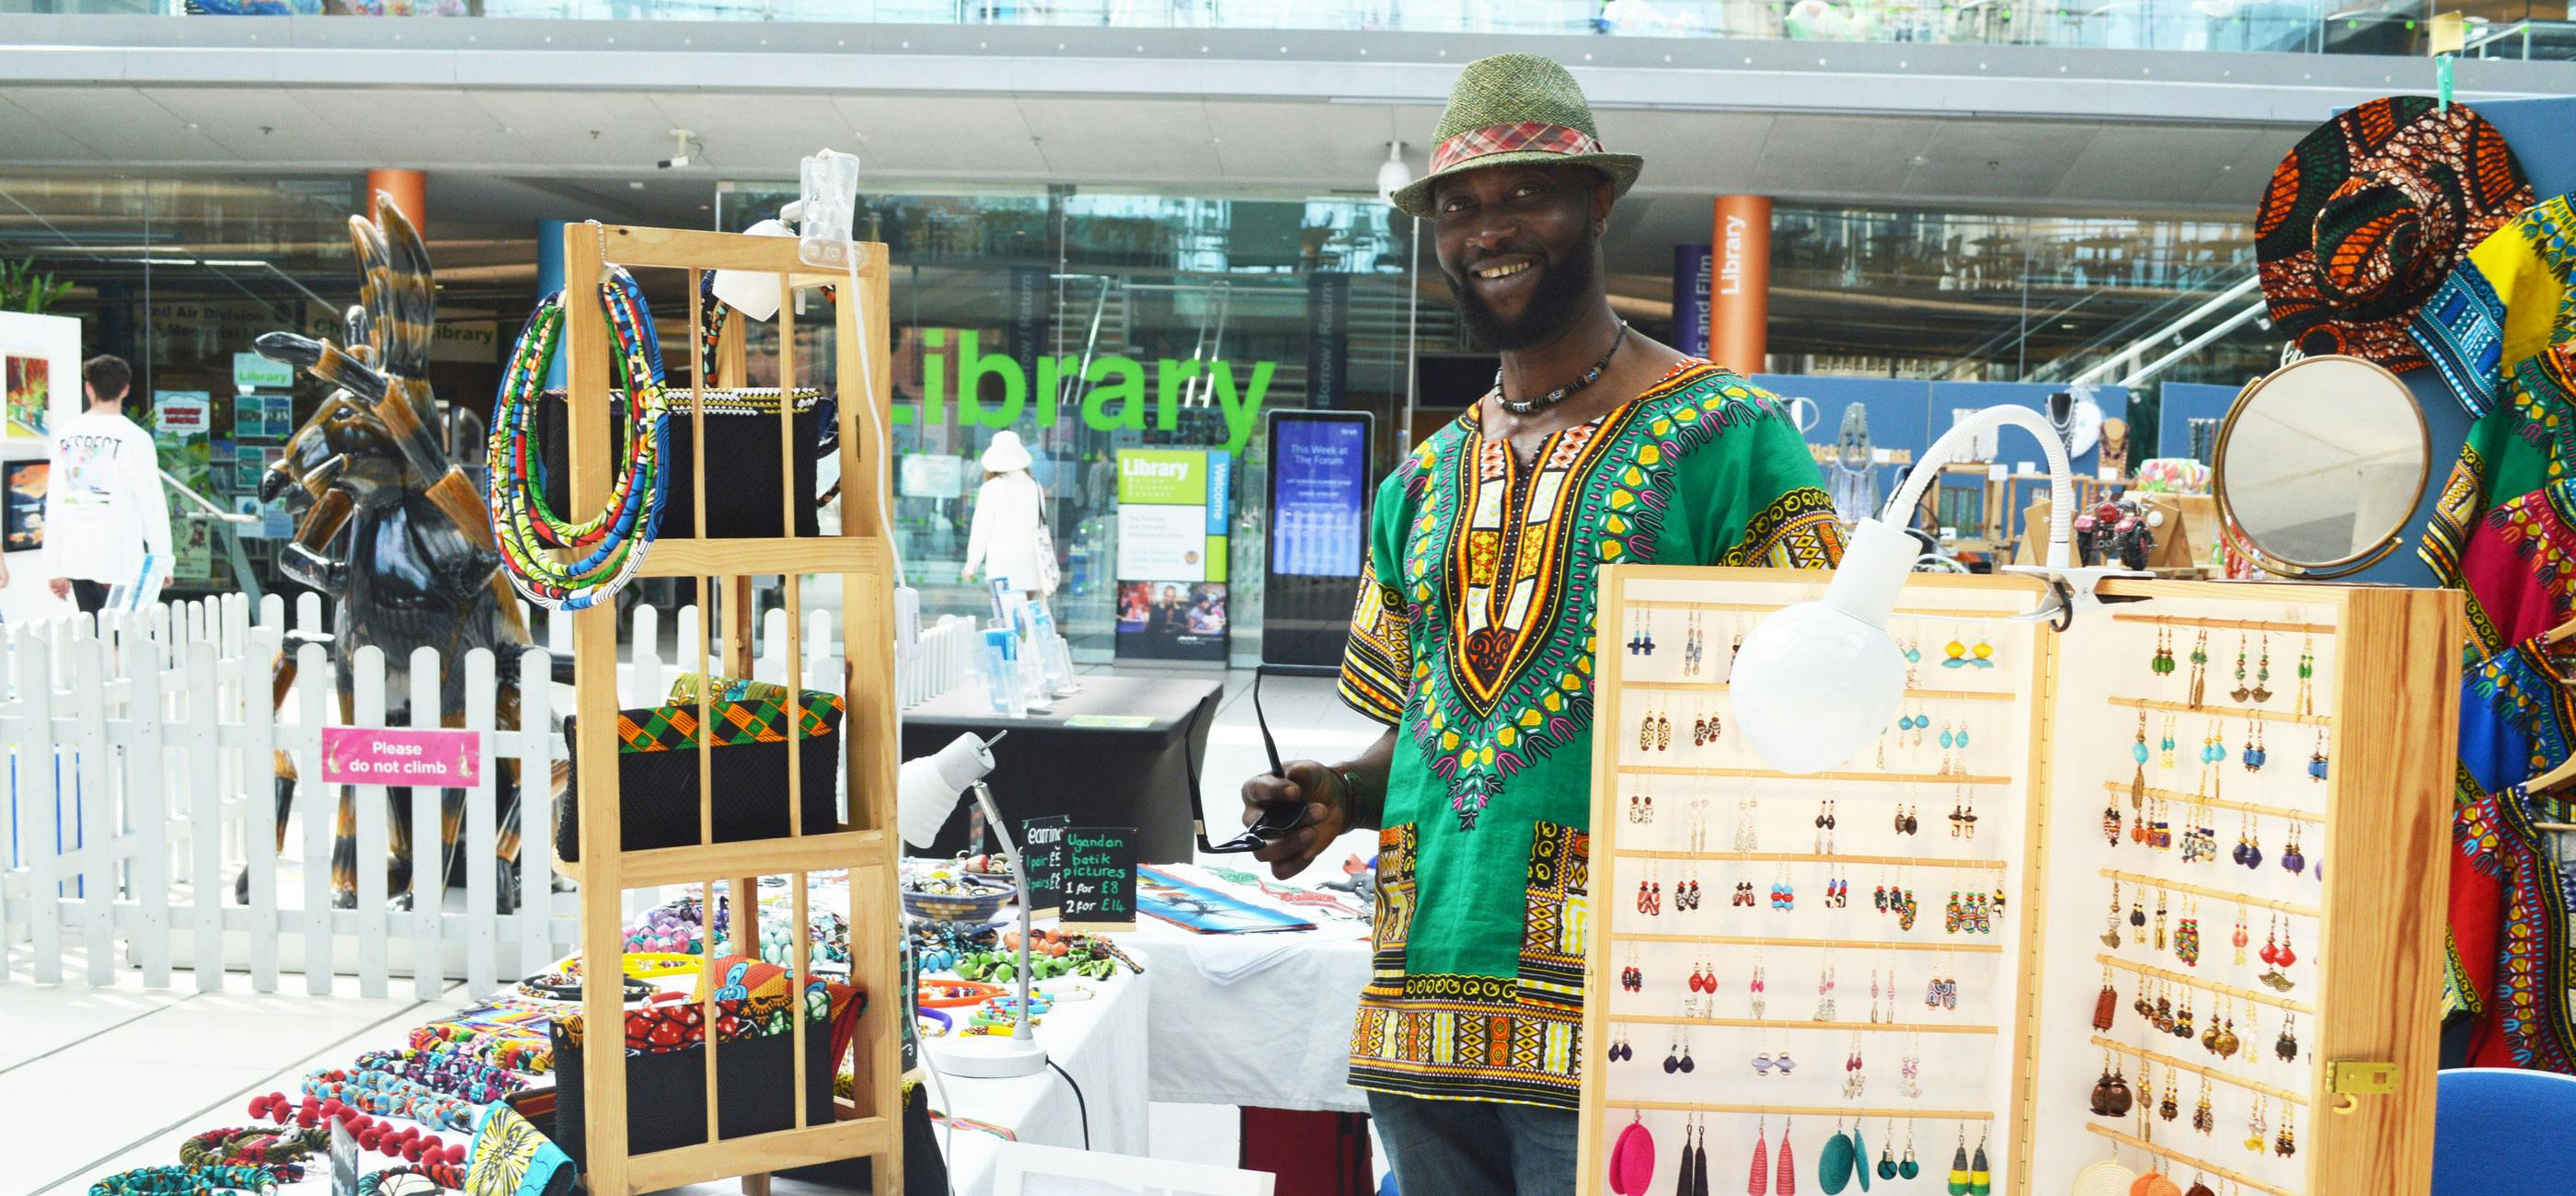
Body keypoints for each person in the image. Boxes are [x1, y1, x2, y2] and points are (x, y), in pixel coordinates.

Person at [1236, 53, 1845, 1195]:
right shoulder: (1420, 480)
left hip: (1632, 1018)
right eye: (1459, 207)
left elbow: (1830, 720)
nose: (1486, 229)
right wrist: (1338, 794)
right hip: (1421, 1009)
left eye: (1524, 195)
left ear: (1597, 206)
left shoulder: (1728, 436)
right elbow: (1427, 726)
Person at [44, 355, 172, 615]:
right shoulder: (135, 438)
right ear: (125, 389)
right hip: (121, 559)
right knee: (121, 639)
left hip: (76, 557)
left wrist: (54, 567)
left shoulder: (66, 434)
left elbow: (56, 502)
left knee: (91, 638)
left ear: (88, 388)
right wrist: (162, 562)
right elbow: (152, 505)